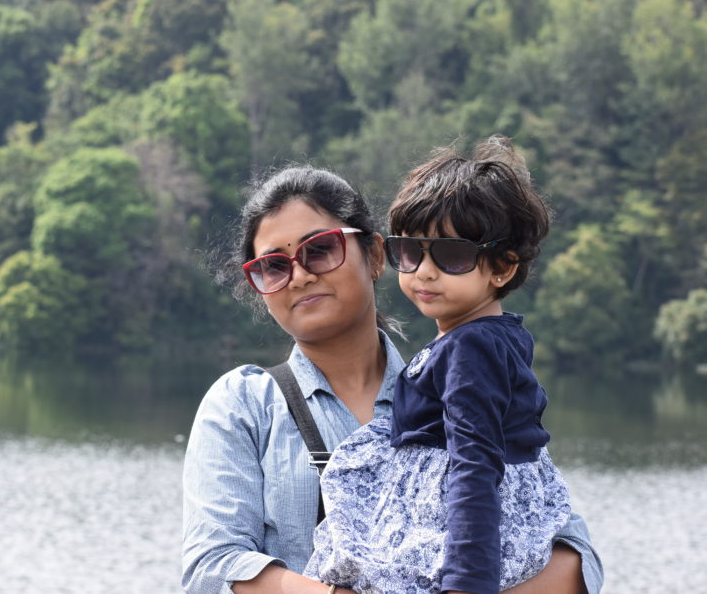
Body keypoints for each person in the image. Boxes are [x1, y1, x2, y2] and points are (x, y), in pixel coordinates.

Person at [181, 163, 603, 593]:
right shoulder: (245, 404)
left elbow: (574, 554)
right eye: (273, 266)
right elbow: (213, 566)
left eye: (321, 249)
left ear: (376, 256)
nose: (301, 275)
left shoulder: (456, 383)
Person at [302, 137, 574, 594]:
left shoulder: (472, 350)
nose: (425, 271)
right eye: (411, 251)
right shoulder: (485, 337)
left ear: (502, 268)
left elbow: (475, 462)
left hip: (466, 538)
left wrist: (467, 585)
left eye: (451, 255)